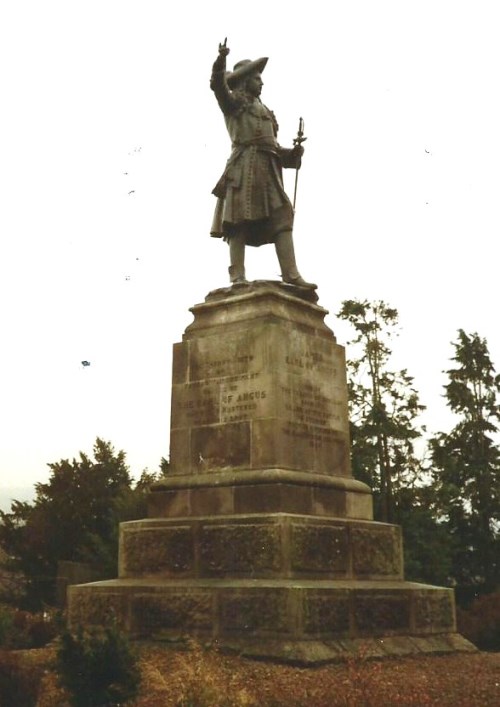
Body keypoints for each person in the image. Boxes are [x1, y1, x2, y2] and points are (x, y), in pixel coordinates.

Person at [210, 40, 316, 290]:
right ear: (246, 81)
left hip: (268, 169)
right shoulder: (234, 104)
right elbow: (218, 86)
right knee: (238, 221)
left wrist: (293, 155)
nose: (262, 82)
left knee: (282, 215)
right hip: (243, 167)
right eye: (257, 78)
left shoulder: (266, 110)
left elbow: (274, 146)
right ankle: (237, 276)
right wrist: (221, 59)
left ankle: (290, 274)